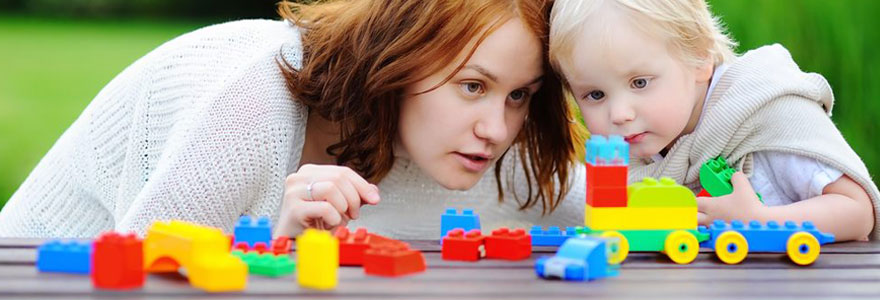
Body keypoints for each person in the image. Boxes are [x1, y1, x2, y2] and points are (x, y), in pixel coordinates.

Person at [0, 0, 588, 239]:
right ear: (399, 58)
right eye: (473, 86)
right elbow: (143, 277)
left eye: (519, 96)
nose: (496, 127)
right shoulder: (248, 108)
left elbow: (618, 205)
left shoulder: (469, 140)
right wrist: (276, 244)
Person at [548, 0, 879, 241]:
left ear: (700, 58)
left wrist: (761, 220)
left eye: (640, 83)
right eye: (595, 95)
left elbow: (858, 212)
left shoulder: (764, 111)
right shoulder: (643, 147)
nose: (619, 114)